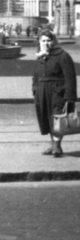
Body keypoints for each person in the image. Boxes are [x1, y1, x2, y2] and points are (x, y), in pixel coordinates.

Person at [31, 27, 77, 159]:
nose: (46, 43)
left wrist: (70, 97)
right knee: (47, 118)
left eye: (49, 40)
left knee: (57, 119)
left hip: (58, 93)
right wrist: (35, 89)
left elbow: (70, 77)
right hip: (42, 93)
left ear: (53, 41)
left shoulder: (63, 55)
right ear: (40, 42)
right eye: (43, 41)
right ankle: (53, 144)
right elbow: (35, 76)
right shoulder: (40, 57)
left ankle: (57, 145)